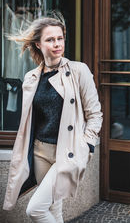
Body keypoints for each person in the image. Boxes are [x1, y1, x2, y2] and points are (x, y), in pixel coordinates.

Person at [3, 14, 103, 223]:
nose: (57, 44)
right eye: (50, 40)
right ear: (38, 44)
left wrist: (87, 144)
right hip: (41, 152)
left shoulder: (78, 71)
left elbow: (94, 114)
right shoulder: (31, 77)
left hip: (67, 152)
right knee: (53, 210)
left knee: (36, 210)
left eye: (60, 38)